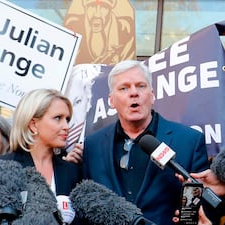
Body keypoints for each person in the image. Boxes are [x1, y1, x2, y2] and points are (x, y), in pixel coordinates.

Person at [82, 60, 210, 225]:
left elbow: (204, 208)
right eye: (124, 88)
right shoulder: (92, 145)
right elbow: (85, 205)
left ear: (152, 94)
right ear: (111, 100)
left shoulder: (189, 141)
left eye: (141, 86)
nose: (134, 93)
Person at [0, 88, 82, 223]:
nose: (66, 126)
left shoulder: (72, 171)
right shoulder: (3, 169)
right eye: (58, 118)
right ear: (33, 124)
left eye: (67, 119)